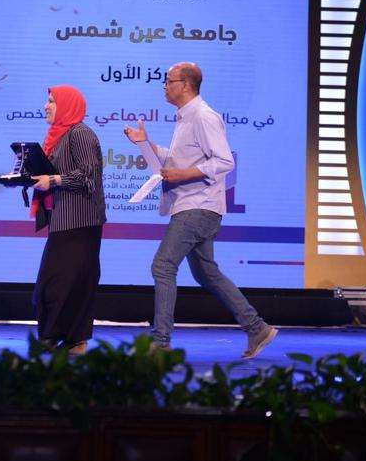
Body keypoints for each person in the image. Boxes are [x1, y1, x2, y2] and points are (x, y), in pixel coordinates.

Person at [123, 62, 277, 358]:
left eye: (168, 81)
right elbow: (177, 159)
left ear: (185, 84)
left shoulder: (204, 116)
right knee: (207, 273)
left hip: (198, 206)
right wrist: (146, 144)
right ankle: (257, 328)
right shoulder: (185, 117)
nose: (164, 86)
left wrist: (184, 174)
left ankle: (160, 342)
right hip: (194, 204)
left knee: (163, 266)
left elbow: (225, 161)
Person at [29, 85, 107, 355]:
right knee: (61, 284)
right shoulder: (59, 135)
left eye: (52, 101)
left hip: (81, 221)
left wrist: (53, 180)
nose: (46, 106)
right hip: (64, 219)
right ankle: (69, 339)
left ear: (67, 105)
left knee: (63, 283)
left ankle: (64, 338)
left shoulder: (80, 133)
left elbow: (89, 177)